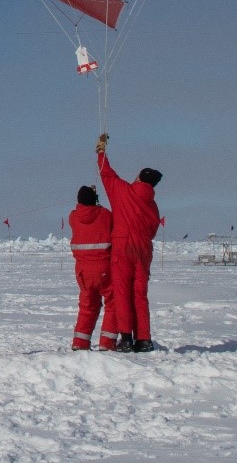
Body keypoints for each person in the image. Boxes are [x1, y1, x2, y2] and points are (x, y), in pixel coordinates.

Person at [96, 133, 161, 353]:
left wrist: (101, 150)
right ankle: (144, 339)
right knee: (140, 294)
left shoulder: (124, 192)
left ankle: (125, 338)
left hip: (123, 249)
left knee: (122, 292)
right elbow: (152, 230)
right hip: (143, 251)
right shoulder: (152, 206)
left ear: (140, 178)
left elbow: (106, 173)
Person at [69, 184, 118, 351]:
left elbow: (82, 213)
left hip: (82, 273)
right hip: (104, 269)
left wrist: (90, 198)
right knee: (113, 304)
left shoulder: (73, 217)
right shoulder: (105, 215)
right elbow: (107, 218)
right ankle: (107, 342)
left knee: (87, 306)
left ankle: (79, 343)